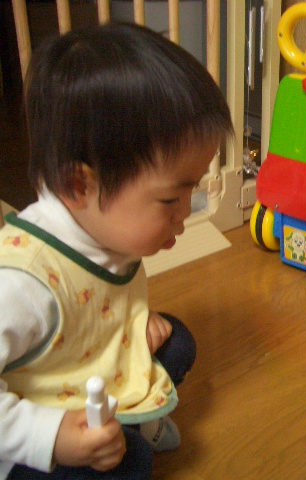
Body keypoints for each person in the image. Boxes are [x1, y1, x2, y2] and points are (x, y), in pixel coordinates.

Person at [0, 22, 233, 479]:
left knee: (179, 342)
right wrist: (51, 437)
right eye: (170, 199)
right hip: (30, 429)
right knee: (133, 465)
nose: (185, 214)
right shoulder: (22, 281)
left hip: (88, 377)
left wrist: (133, 321)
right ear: (78, 185)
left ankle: (130, 425)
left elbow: (98, 304)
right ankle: (124, 438)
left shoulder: (104, 224)